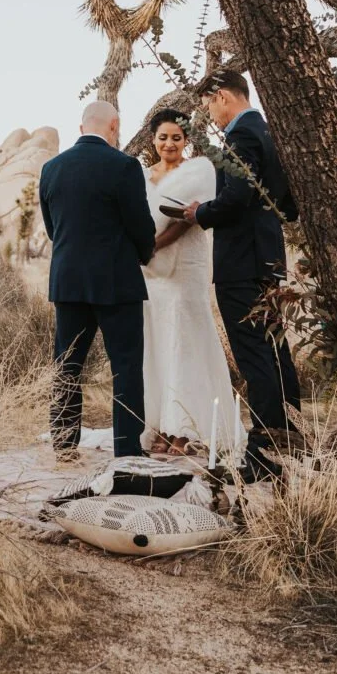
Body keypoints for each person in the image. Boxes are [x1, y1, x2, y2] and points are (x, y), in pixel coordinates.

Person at [183, 69, 301, 481]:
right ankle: (289, 439)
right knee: (275, 350)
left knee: (254, 355)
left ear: (222, 96)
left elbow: (235, 197)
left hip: (241, 261)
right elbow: (289, 206)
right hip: (267, 258)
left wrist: (200, 213)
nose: (211, 116)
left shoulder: (241, 136)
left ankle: (263, 455)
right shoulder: (269, 132)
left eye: (209, 106)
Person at [39, 100, 156, 461]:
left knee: (67, 364)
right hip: (116, 281)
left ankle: (63, 443)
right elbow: (141, 225)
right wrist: (143, 254)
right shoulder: (124, 166)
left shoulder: (51, 169)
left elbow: (53, 229)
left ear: (81, 128)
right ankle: (127, 450)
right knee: (125, 366)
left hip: (68, 280)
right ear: (114, 125)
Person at [139, 109, 245, 458]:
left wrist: (153, 245)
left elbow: (188, 219)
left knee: (185, 341)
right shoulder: (144, 176)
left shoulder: (199, 172)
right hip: (152, 274)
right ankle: (160, 424)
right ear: (153, 140)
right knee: (159, 343)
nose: (169, 144)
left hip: (185, 266)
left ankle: (186, 428)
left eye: (177, 137)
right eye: (163, 137)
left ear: (186, 140)